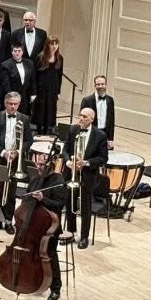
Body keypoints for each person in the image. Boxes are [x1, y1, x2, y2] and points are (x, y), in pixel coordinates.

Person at [0, 91, 32, 234]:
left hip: (15, 160)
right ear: (5, 103)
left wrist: (17, 152)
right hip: (0, 158)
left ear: (19, 104)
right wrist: (4, 153)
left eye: (15, 104)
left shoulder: (24, 119)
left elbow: (29, 140)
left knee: (11, 193)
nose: (13, 107)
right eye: (10, 104)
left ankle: (8, 221)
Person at [62, 106, 108, 250]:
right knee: (69, 203)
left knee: (85, 206)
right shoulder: (73, 129)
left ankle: (84, 237)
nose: (80, 119)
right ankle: (70, 232)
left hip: (88, 175)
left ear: (91, 120)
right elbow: (65, 150)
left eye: (84, 117)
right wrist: (69, 162)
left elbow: (103, 158)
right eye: (80, 115)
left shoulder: (100, 135)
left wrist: (86, 163)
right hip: (71, 173)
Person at [25, 146, 67, 300]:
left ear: (50, 165)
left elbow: (60, 204)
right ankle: (33, 280)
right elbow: (26, 200)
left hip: (51, 227)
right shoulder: (35, 180)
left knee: (49, 254)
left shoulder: (58, 181)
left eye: (42, 165)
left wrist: (43, 199)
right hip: (34, 225)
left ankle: (55, 288)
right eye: (37, 164)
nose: (38, 167)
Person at [33, 37, 64, 133]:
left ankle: (47, 130)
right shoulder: (40, 57)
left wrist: (58, 91)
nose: (54, 46)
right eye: (52, 44)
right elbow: (35, 75)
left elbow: (59, 76)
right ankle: (39, 130)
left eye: (56, 44)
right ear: (47, 45)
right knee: (41, 109)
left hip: (53, 88)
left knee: (50, 109)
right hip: (41, 88)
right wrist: (34, 91)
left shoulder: (60, 58)